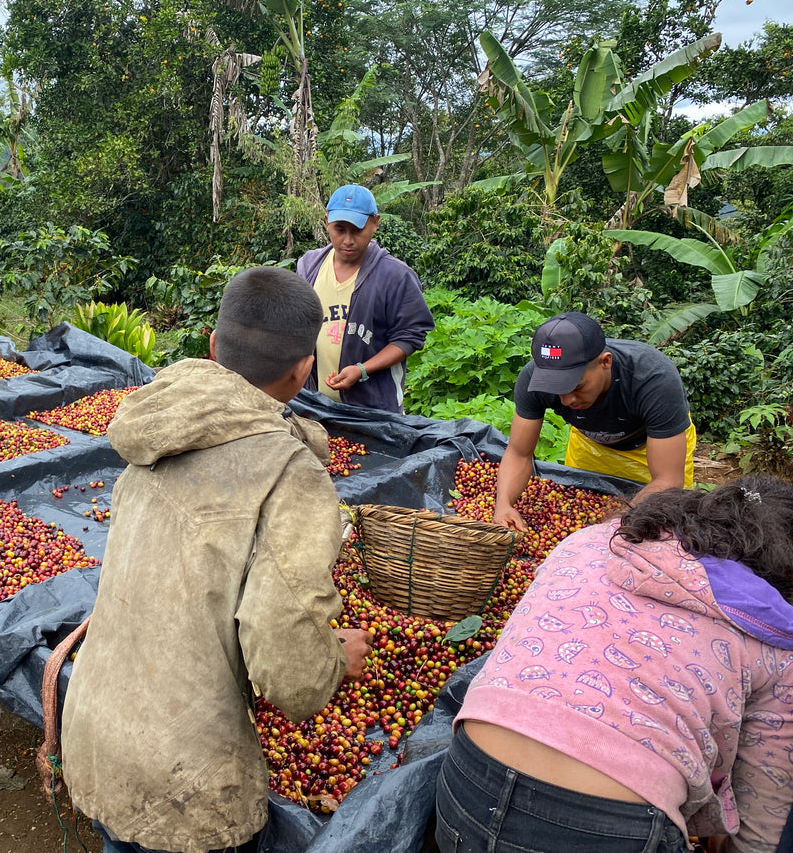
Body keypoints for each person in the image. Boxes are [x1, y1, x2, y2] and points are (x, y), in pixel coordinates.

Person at [61, 266, 373, 853]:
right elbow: (286, 666)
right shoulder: (289, 474)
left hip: (97, 726)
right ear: (305, 367)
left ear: (212, 343)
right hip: (183, 768)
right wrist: (332, 659)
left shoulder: (154, 428)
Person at [436, 476, 793, 852]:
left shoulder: (595, 540)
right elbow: (760, 820)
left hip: (464, 785)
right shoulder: (776, 637)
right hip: (611, 828)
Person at [493, 312, 696, 532]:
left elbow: (667, 479)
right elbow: (519, 453)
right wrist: (503, 503)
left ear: (605, 362)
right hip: (590, 443)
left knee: (658, 525)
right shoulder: (532, 379)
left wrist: (610, 526)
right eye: (556, 389)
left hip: (651, 446)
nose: (567, 400)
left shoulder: (653, 378)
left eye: (577, 387)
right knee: (579, 503)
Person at [296, 184, 434, 413]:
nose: (348, 240)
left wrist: (362, 369)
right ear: (327, 221)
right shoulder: (309, 267)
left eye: (357, 230)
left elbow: (409, 337)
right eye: (340, 229)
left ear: (375, 223)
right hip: (316, 406)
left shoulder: (396, 276)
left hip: (374, 410)